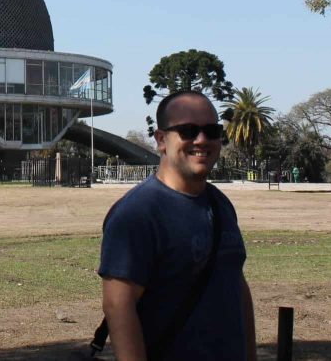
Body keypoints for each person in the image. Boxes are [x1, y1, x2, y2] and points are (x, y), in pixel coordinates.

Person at [99, 91, 256, 360]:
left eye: (212, 131)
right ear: (161, 140)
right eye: (188, 131)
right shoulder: (137, 213)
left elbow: (235, 285)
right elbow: (118, 304)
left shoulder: (221, 205)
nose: (202, 140)